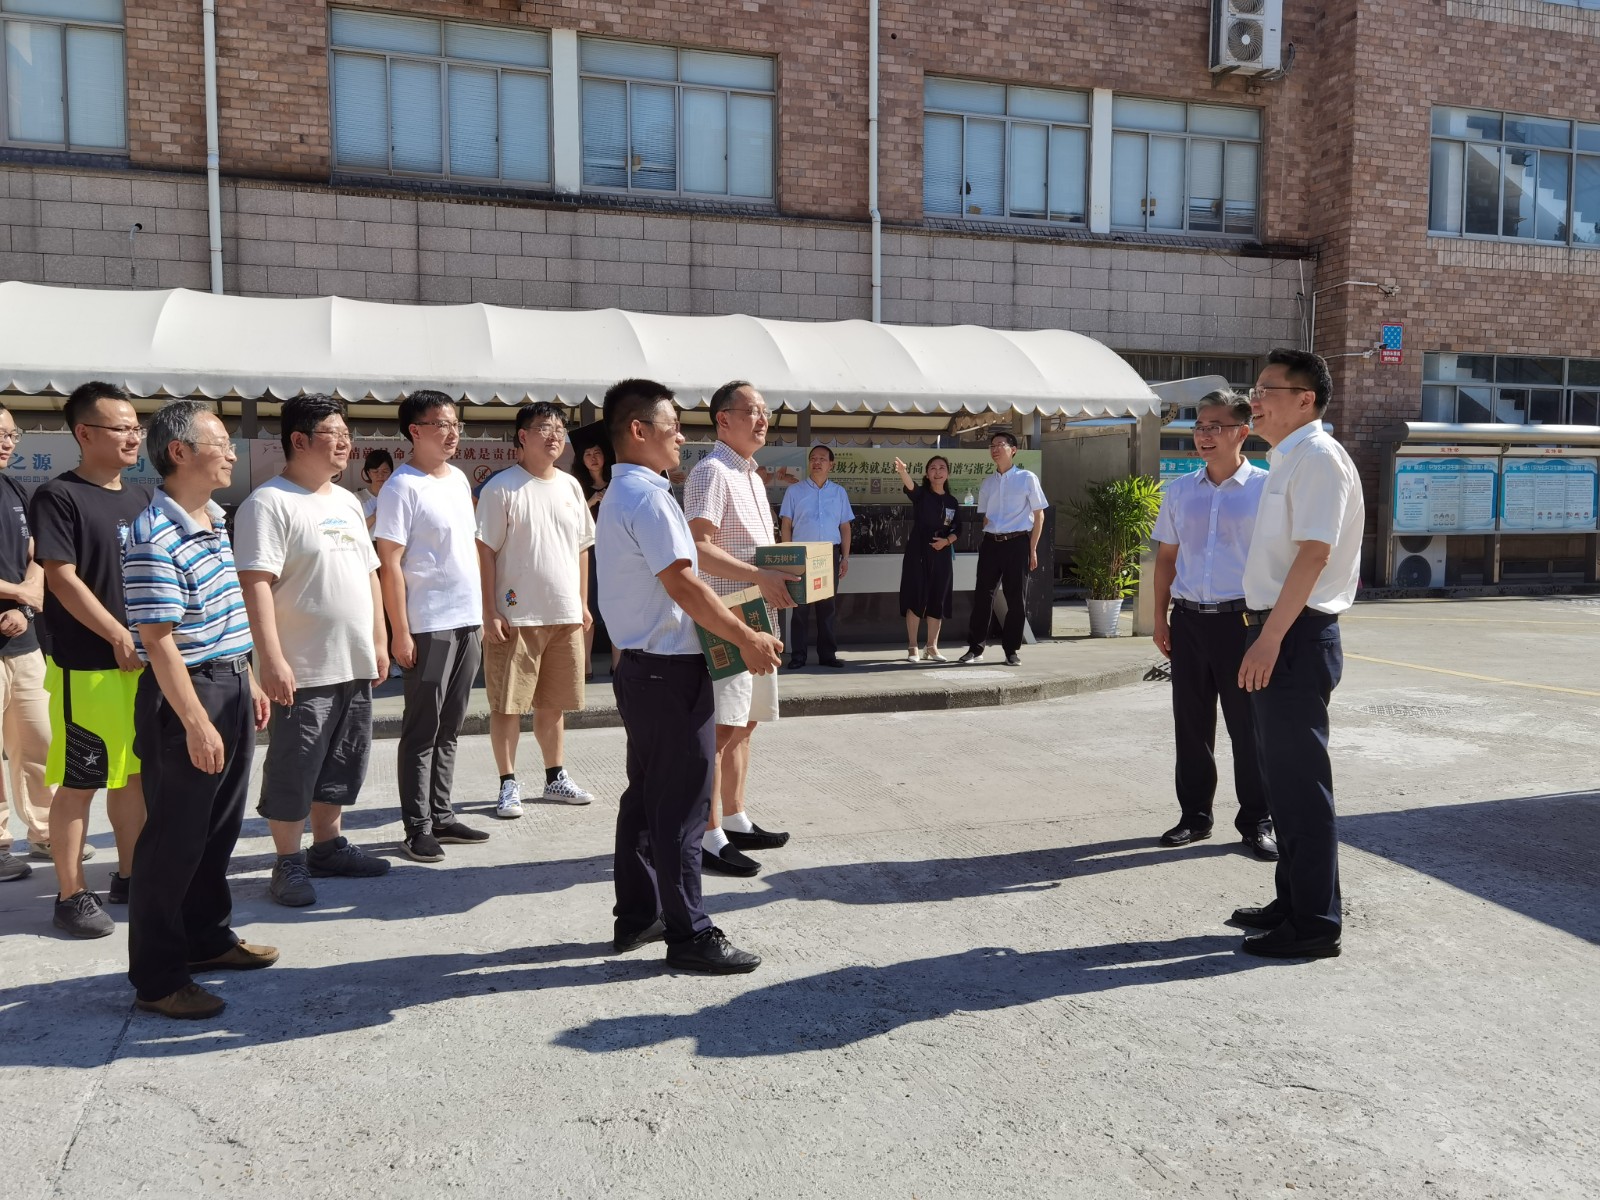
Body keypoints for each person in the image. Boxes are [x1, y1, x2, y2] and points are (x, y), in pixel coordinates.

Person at [597, 378, 781, 972]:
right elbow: (684, 583)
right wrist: (745, 636)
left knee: (646, 798)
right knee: (681, 805)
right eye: (672, 426)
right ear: (638, 430)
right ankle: (690, 933)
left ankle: (639, 914)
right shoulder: (650, 499)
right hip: (670, 671)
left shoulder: (623, 492)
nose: (681, 436)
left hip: (642, 668)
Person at [124, 400, 275, 1020]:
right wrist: (194, 721)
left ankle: (207, 939)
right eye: (221, 443)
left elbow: (225, 611)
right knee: (173, 841)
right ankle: (158, 978)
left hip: (228, 681)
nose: (232, 453)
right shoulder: (152, 535)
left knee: (217, 829)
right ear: (180, 452)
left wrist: (249, 677)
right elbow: (158, 640)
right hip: (188, 693)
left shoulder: (213, 519)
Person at [1232, 348, 1364, 960]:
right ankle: (1293, 901)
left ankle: (1314, 925)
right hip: (1280, 630)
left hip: (1294, 634)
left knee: (1302, 787)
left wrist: (1269, 637)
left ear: (1305, 399)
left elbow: (1314, 555)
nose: (1254, 400)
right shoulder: (1288, 458)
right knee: (1281, 784)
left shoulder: (1318, 458)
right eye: (1254, 389)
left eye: (1267, 390)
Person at [235, 394, 392, 909]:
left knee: (342, 762)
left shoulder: (346, 501)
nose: (345, 442)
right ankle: (288, 861)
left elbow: (370, 574)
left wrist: (379, 639)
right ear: (299, 441)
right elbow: (255, 585)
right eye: (333, 433)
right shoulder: (268, 503)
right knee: (295, 765)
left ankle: (327, 847)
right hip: (302, 666)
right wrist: (271, 659)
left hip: (353, 659)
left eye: (347, 433)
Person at [29, 381, 151, 937]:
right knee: (82, 780)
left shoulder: (143, 498)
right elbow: (61, 577)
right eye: (120, 428)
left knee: (133, 776)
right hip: (88, 667)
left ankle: (131, 875)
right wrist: (116, 634)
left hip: (141, 663)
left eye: (135, 427)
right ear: (84, 433)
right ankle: (71, 893)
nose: (133, 437)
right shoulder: (58, 496)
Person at [1150, 392, 1276, 862]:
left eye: (1215, 427)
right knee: (1191, 725)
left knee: (1249, 729)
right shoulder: (1180, 491)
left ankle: (1257, 821)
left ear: (1242, 431)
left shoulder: (1266, 489)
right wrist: (1159, 618)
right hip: (1188, 622)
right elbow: (1166, 559)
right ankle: (1195, 816)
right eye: (1199, 426)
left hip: (1242, 623)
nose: (1204, 435)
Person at [682, 380, 799, 877]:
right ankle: (707, 836)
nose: (762, 419)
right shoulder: (711, 471)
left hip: (758, 615)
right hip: (727, 618)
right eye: (752, 410)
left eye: (766, 411)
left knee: (746, 723)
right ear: (723, 419)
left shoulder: (751, 475)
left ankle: (734, 818)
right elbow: (698, 548)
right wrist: (757, 575)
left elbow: (753, 550)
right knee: (721, 729)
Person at [374, 390, 490, 863]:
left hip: (468, 621)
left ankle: (441, 814)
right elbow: (389, 563)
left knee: (452, 724)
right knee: (423, 728)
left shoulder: (458, 479)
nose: (452, 432)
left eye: (456, 423)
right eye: (441, 424)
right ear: (415, 431)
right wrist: (400, 632)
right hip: (429, 624)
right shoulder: (401, 487)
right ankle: (416, 826)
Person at [476, 401, 597, 819]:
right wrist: (490, 610)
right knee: (507, 704)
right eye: (545, 427)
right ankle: (508, 783)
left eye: (559, 428)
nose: (555, 435)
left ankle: (555, 777)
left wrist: (582, 603)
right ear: (522, 437)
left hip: (564, 614)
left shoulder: (571, 486)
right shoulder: (501, 488)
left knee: (554, 703)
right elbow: (484, 551)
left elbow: (582, 547)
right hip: (516, 616)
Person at [0, 404, 50, 884]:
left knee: (39, 741)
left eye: (12, 435)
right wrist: (17, 593)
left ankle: (45, 831)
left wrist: (28, 597)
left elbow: (38, 552)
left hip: (25, 642)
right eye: (0, 434)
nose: (7, 443)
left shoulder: (15, 489)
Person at [960, 431, 1048, 667]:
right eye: (992, 446)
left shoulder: (1027, 478)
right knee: (982, 596)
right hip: (991, 544)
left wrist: (1032, 548)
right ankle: (975, 648)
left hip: (1018, 543)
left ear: (1013, 450)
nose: (995, 449)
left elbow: (1039, 515)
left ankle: (1011, 650)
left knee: (1016, 599)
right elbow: (985, 517)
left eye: (1000, 445)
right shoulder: (987, 483)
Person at [778, 445, 853, 669]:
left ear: (831, 464)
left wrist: (845, 558)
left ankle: (827, 655)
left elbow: (845, 527)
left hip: (829, 554)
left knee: (827, 607)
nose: (817, 462)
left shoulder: (839, 492)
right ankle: (798, 656)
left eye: (822, 459)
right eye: (813, 458)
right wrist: (788, 556)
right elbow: (786, 525)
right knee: (800, 607)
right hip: (802, 554)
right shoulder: (795, 491)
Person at [892, 454, 960, 663]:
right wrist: (903, 471)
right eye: (933, 468)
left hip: (942, 554)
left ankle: (932, 647)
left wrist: (946, 541)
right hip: (918, 552)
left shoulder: (952, 501)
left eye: (942, 467)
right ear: (927, 474)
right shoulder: (922, 495)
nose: (937, 471)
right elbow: (911, 487)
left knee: (937, 598)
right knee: (915, 596)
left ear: (948, 473)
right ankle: (913, 646)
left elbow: (958, 529)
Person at [569, 434, 613, 681]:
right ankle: (585, 665)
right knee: (587, 608)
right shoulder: (575, 487)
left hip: (614, 551)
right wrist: (592, 501)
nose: (593, 458)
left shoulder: (617, 483)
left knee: (615, 608)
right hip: (587, 554)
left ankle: (617, 664)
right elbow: (569, 521)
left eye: (597, 452)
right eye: (587, 454)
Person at [355, 449, 393, 533]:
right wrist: (374, 516)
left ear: (391, 472)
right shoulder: (357, 498)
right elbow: (354, 530)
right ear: (368, 473)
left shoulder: (397, 497)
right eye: (375, 471)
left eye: (385, 471)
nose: (380, 475)